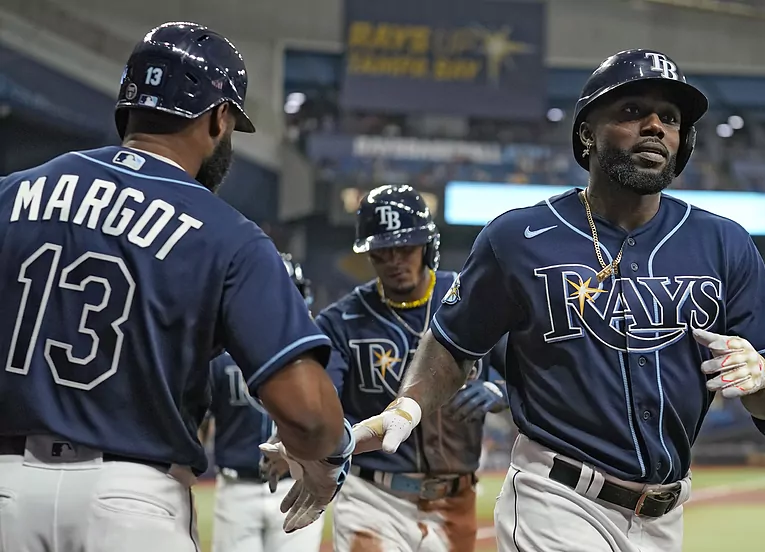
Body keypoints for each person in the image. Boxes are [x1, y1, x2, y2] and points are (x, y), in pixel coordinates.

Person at [350, 50, 765, 552]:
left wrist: (764, 374)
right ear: (588, 133)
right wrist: (408, 406)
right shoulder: (518, 237)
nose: (655, 127)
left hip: (664, 514)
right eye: (633, 111)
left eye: (671, 119)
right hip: (558, 496)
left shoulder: (725, 244)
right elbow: (453, 341)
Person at [0, 21, 351, 552]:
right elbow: (306, 414)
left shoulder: (11, 193)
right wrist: (332, 454)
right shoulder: (229, 234)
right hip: (129, 501)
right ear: (218, 118)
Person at [315, 184, 508, 552]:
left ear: (427, 246)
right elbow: (324, 401)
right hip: (372, 495)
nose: (394, 261)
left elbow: (528, 368)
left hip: (457, 498)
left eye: (405, 248)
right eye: (381, 252)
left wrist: (503, 391)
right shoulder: (341, 321)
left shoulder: (467, 299)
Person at [204, 252, 325, 552]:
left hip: (297, 485)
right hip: (236, 489)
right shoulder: (221, 356)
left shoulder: (318, 355)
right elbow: (200, 420)